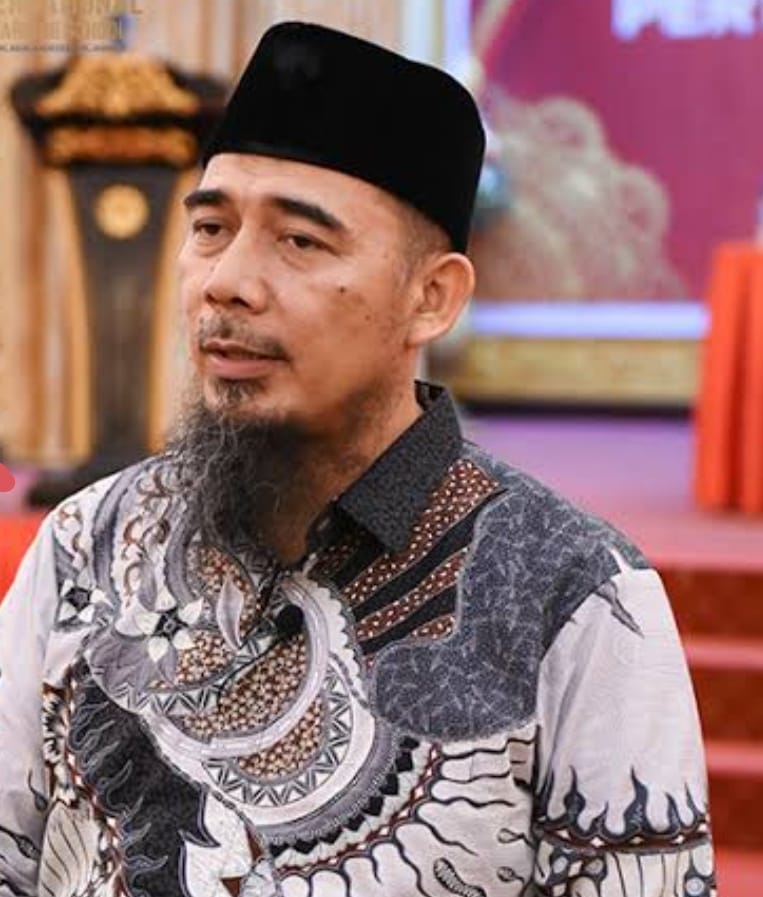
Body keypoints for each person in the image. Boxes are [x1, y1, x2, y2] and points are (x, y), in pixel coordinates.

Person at [0, 21, 715, 897]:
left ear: (431, 297)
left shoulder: (576, 594)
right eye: (211, 227)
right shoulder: (87, 541)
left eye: (300, 241)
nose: (226, 281)